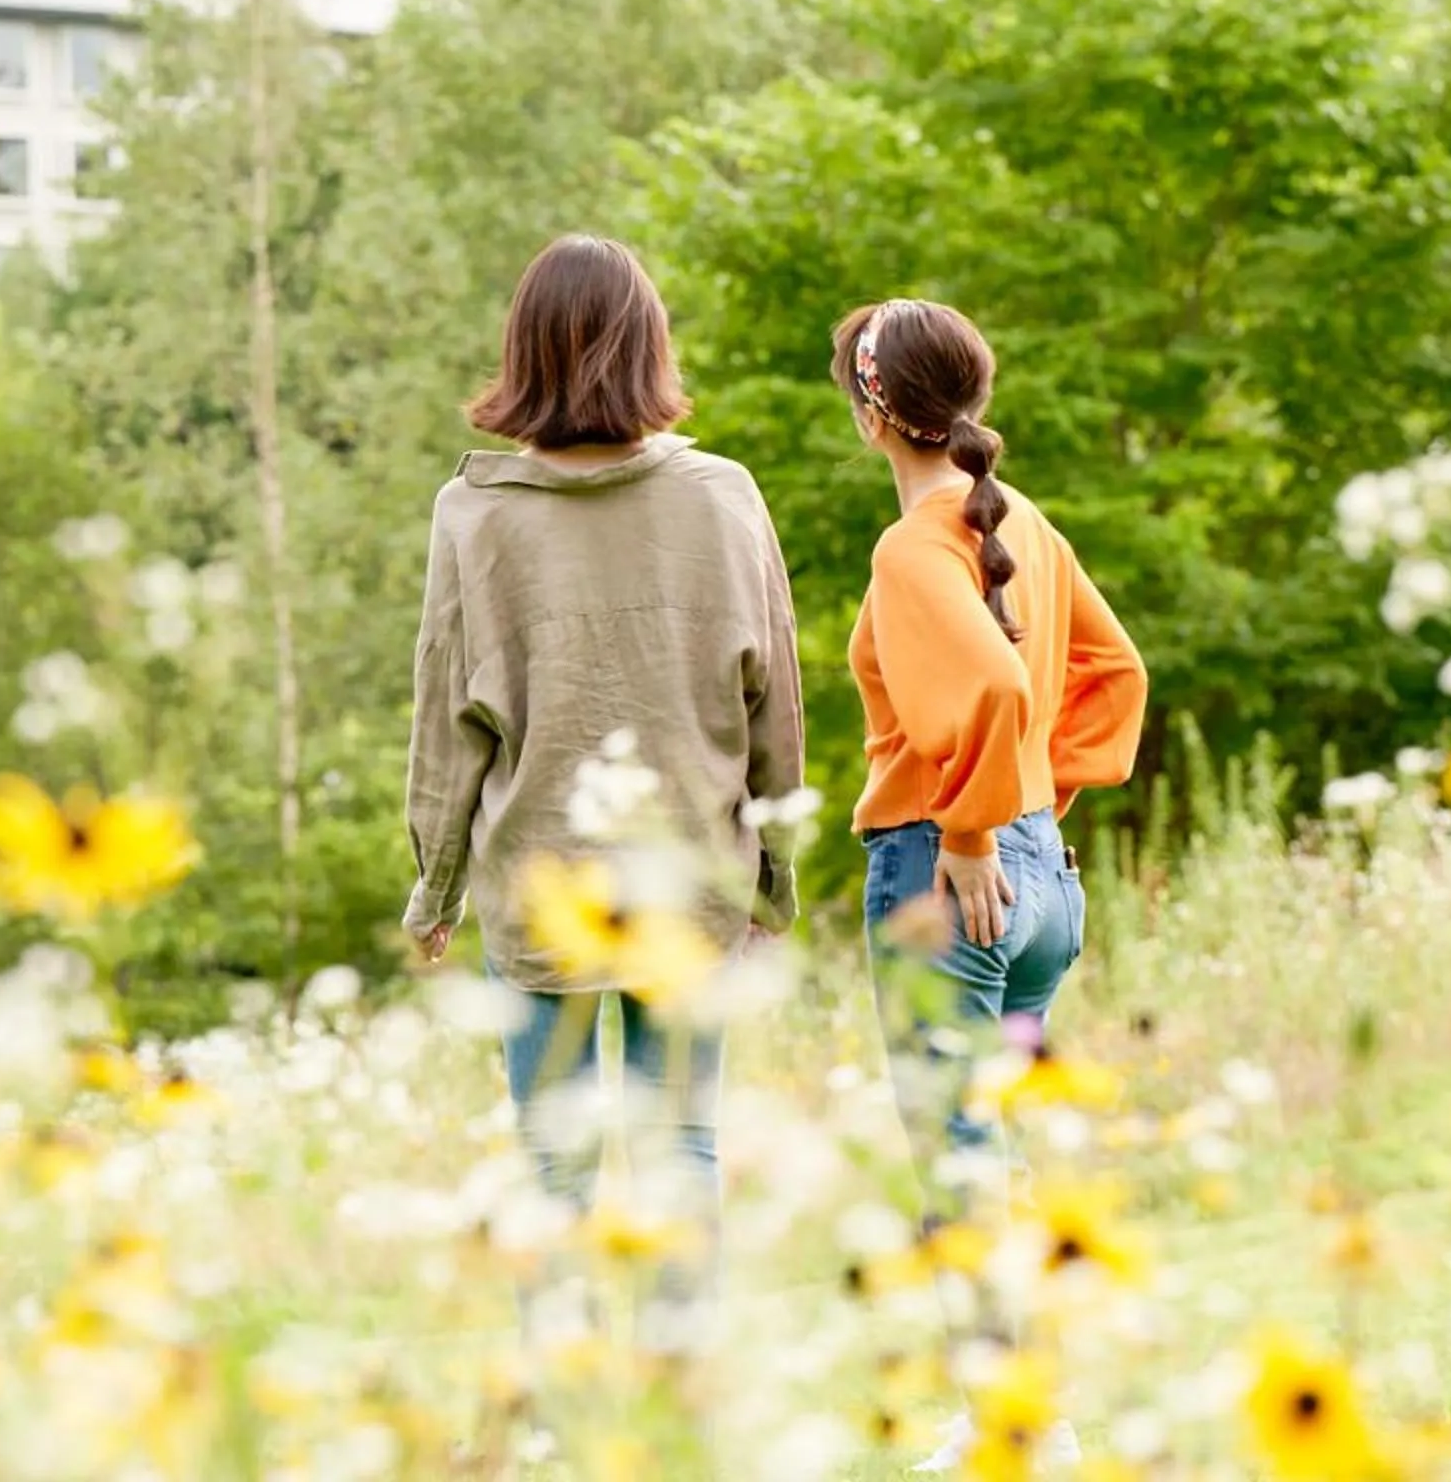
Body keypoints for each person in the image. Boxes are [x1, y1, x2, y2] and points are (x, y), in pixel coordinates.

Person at [401, 234, 805, 1345]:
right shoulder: (725, 497)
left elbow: (448, 720)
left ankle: (565, 1432)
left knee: (552, 1163)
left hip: (539, 885)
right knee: (683, 1151)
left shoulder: (473, 513)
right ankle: (681, 1421)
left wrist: (432, 888)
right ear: (651, 345)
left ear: (523, 350)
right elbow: (776, 700)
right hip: (694, 878)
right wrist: (773, 880)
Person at [831, 297, 1148, 1471]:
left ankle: (1017, 1426)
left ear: (874, 410)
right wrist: (1032, 805)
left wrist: (971, 827)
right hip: (1040, 884)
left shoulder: (914, 545)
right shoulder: (1023, 523)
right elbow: (1117, 676)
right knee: (996, 1154)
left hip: (947, 874)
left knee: (959, 1159)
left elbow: (997, 692)